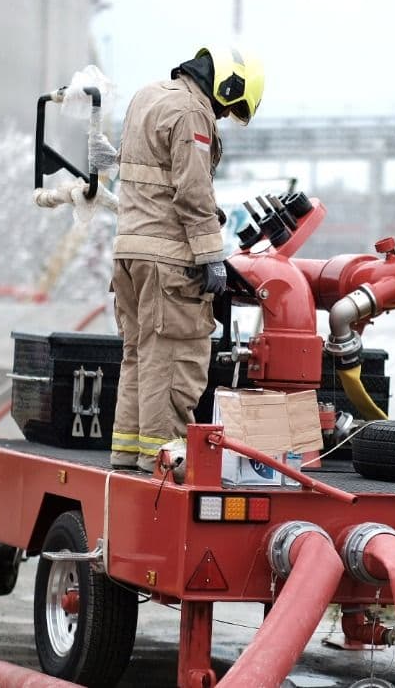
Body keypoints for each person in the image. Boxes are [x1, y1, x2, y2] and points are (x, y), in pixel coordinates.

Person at [109, 45, 264, 472]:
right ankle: (162, 456)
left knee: (140, 354)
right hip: (168, 260)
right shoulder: (192, 113)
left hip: (130, 253)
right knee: (175, 357)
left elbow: (156, 180)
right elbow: (192, 191)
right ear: (228, 87)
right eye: (229, 109)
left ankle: (128, 450)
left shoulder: (148, 96)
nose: (222, 117)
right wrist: (212, 257)